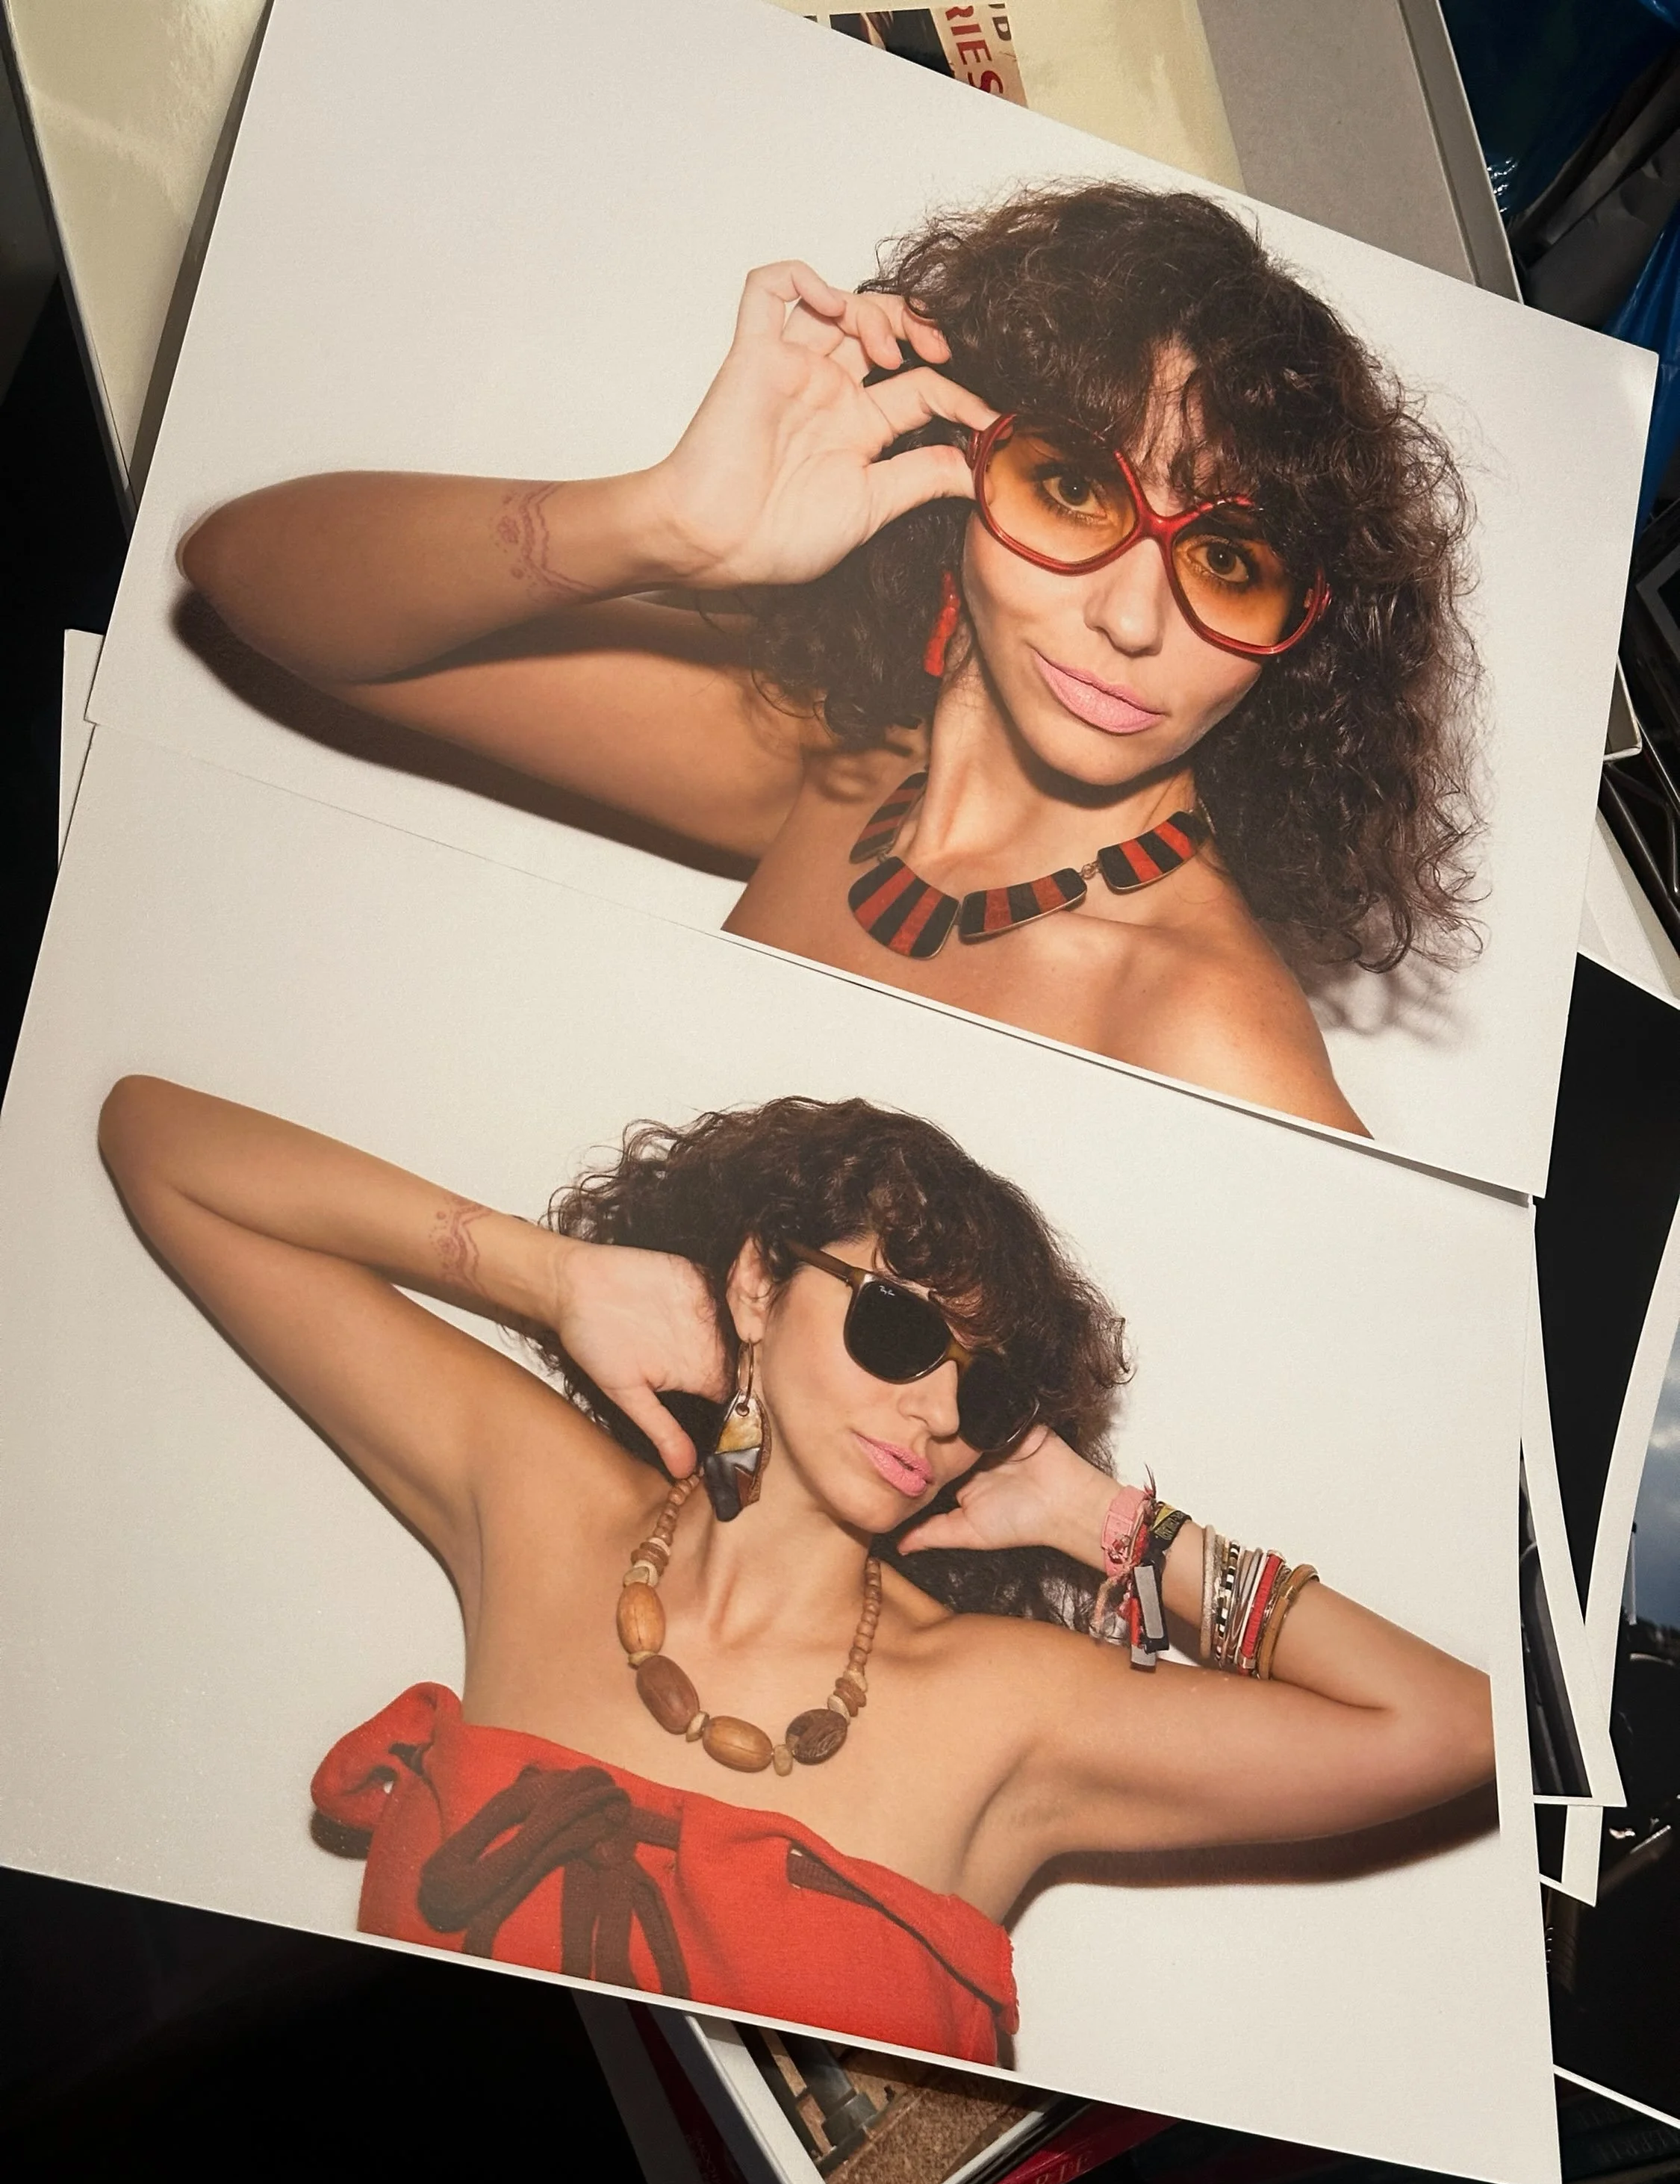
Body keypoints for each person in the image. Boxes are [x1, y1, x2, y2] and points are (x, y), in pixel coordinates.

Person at [99, 1075, 1494, 2064]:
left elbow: (1450, 1732)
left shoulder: (1006, 1707)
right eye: (899, 1330)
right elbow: (157, 1140)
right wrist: (547, 1279)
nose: (938, 1410)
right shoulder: (545, 1515)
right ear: (761, 1285)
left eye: (986, 1386)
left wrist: (1118, 1532)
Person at [178, 183, 1478, 1139]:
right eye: (1076, 489)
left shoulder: (1206, 1039)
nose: (1134, 620)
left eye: (1230, 561)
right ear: (957, 460)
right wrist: (662, 527)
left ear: (1305, 641)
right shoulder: (845, 774)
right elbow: (248, 577)